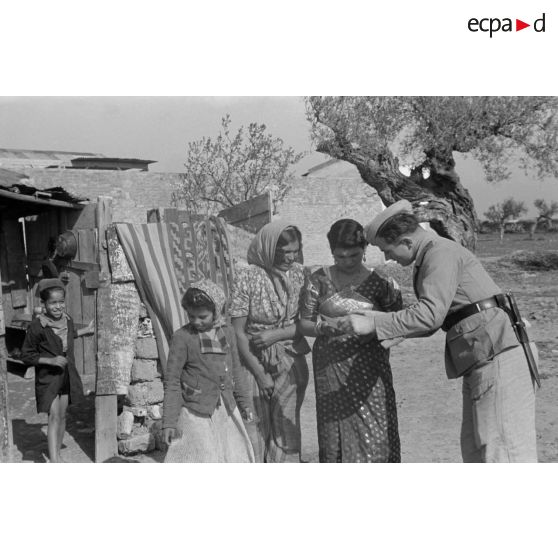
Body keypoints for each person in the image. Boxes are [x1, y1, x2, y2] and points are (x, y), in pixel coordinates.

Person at [339, 200, 538, 463]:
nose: (388, 258)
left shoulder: (439, 254)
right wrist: (389, 325)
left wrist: (374, 324)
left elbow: (430, 314)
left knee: (502, 451)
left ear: (407, 242)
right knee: (478, 449)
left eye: (387, 250)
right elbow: (436, 318)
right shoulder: (431, 255)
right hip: (485, 355)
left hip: (499, 355)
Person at [298, 219, 402, 462]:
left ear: (365, 249)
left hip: (369, 366)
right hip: (330, 365)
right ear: (331, 251)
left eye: (353, 255)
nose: (346, 261)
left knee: (374, 426)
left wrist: (370, 332)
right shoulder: (317, 280)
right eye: (339, 256)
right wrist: (323, 328)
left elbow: (398, 324)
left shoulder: (382, 283)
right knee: (334, 427)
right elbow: (304, 323)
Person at [230, 220, 310, 463]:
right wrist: (259, 373)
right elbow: (238, 332)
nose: (291, 257)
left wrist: (276, 335)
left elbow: (305, 322)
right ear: (269, 249)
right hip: (251, 360)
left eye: (295, 251)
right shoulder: (249, 277)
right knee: (256, 424)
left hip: (289, 357)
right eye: (285, 252)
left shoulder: (299, 274)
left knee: (286, 425)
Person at [162, 279, 255, 463]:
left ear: (216, 311)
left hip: (225, 408)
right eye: (191, 316)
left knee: (230, 454)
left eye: (202, 317)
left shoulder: (227, 333)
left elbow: (236, 370)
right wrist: (169, 422)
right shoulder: (183, 338)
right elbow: (172, 381)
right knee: (203, 456)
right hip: (196, 412)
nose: (196, 322)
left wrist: (245, 404)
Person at [21, 278, 94, 463]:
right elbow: (26, 356)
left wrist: (85, 330)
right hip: (48, 379)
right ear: (44, 304)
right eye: (53, 303)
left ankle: (58, 455)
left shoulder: (67, 320)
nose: (58, 306)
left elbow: (68, 335)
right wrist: (51, 360)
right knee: (53, 417)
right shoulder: (37, 327)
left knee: (62, 416)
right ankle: (54, 461)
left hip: (66, 376)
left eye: (61, 301)